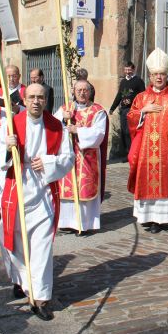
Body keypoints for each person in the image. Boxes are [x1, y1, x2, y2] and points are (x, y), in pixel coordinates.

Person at [0, 83, 74, 321]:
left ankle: (40, 297)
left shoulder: (57, 127)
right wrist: (8, 148)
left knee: (42, 247)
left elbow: (69, 159)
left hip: (44, 192)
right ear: (24, 100)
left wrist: (48, 163)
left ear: (46, 100)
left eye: (41, 97)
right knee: (14, 244)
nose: (36, 101)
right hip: (17, 190)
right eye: (32, 97)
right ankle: (21, 281)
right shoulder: (11, 124)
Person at [127, 48, 168, 234]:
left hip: (166, 150)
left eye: (162, 74)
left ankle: (161, 219)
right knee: (145, 179)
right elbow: (131, 117)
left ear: (167, 75)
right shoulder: (141, 98)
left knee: (164, 180)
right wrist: (143, 111)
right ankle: (147, 217)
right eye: (156, 74)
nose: (159, 77)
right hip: (145, 151)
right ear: (150, 76)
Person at [54, 80, 108, 234]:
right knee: (67, 188)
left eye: (85, 90)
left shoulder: (97, 111)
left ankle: (84, 223)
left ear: (90, 92)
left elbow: (99, 134)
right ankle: (66, 222)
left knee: (84, 189)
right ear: (74, 91)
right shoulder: (65, 109)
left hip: (87, 157)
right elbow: (52, 127)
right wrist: (63, 119)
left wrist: (78, 131)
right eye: (79, 90)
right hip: (68, 155)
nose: (82, 93)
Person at [0, 65, 26, 210]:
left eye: (14, 75)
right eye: (8, 76)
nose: (11, 78)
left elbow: (33, 113)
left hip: (19, 133)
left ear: (19, 76)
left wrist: (18, 109)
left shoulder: (26, 92)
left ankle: (15, 199)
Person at [109, 61, 146, 159]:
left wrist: (132, 101)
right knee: (124, 132)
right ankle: (128, 153)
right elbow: (119, 95)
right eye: (126, 69)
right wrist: (112, 108)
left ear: (133, 69)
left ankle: (134, 153)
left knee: (130, 132)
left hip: (134, 110)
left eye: (129, 69)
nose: (127, 71)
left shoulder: (138, 81)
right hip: (123, 110)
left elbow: (143, 95)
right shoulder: (123, 81)